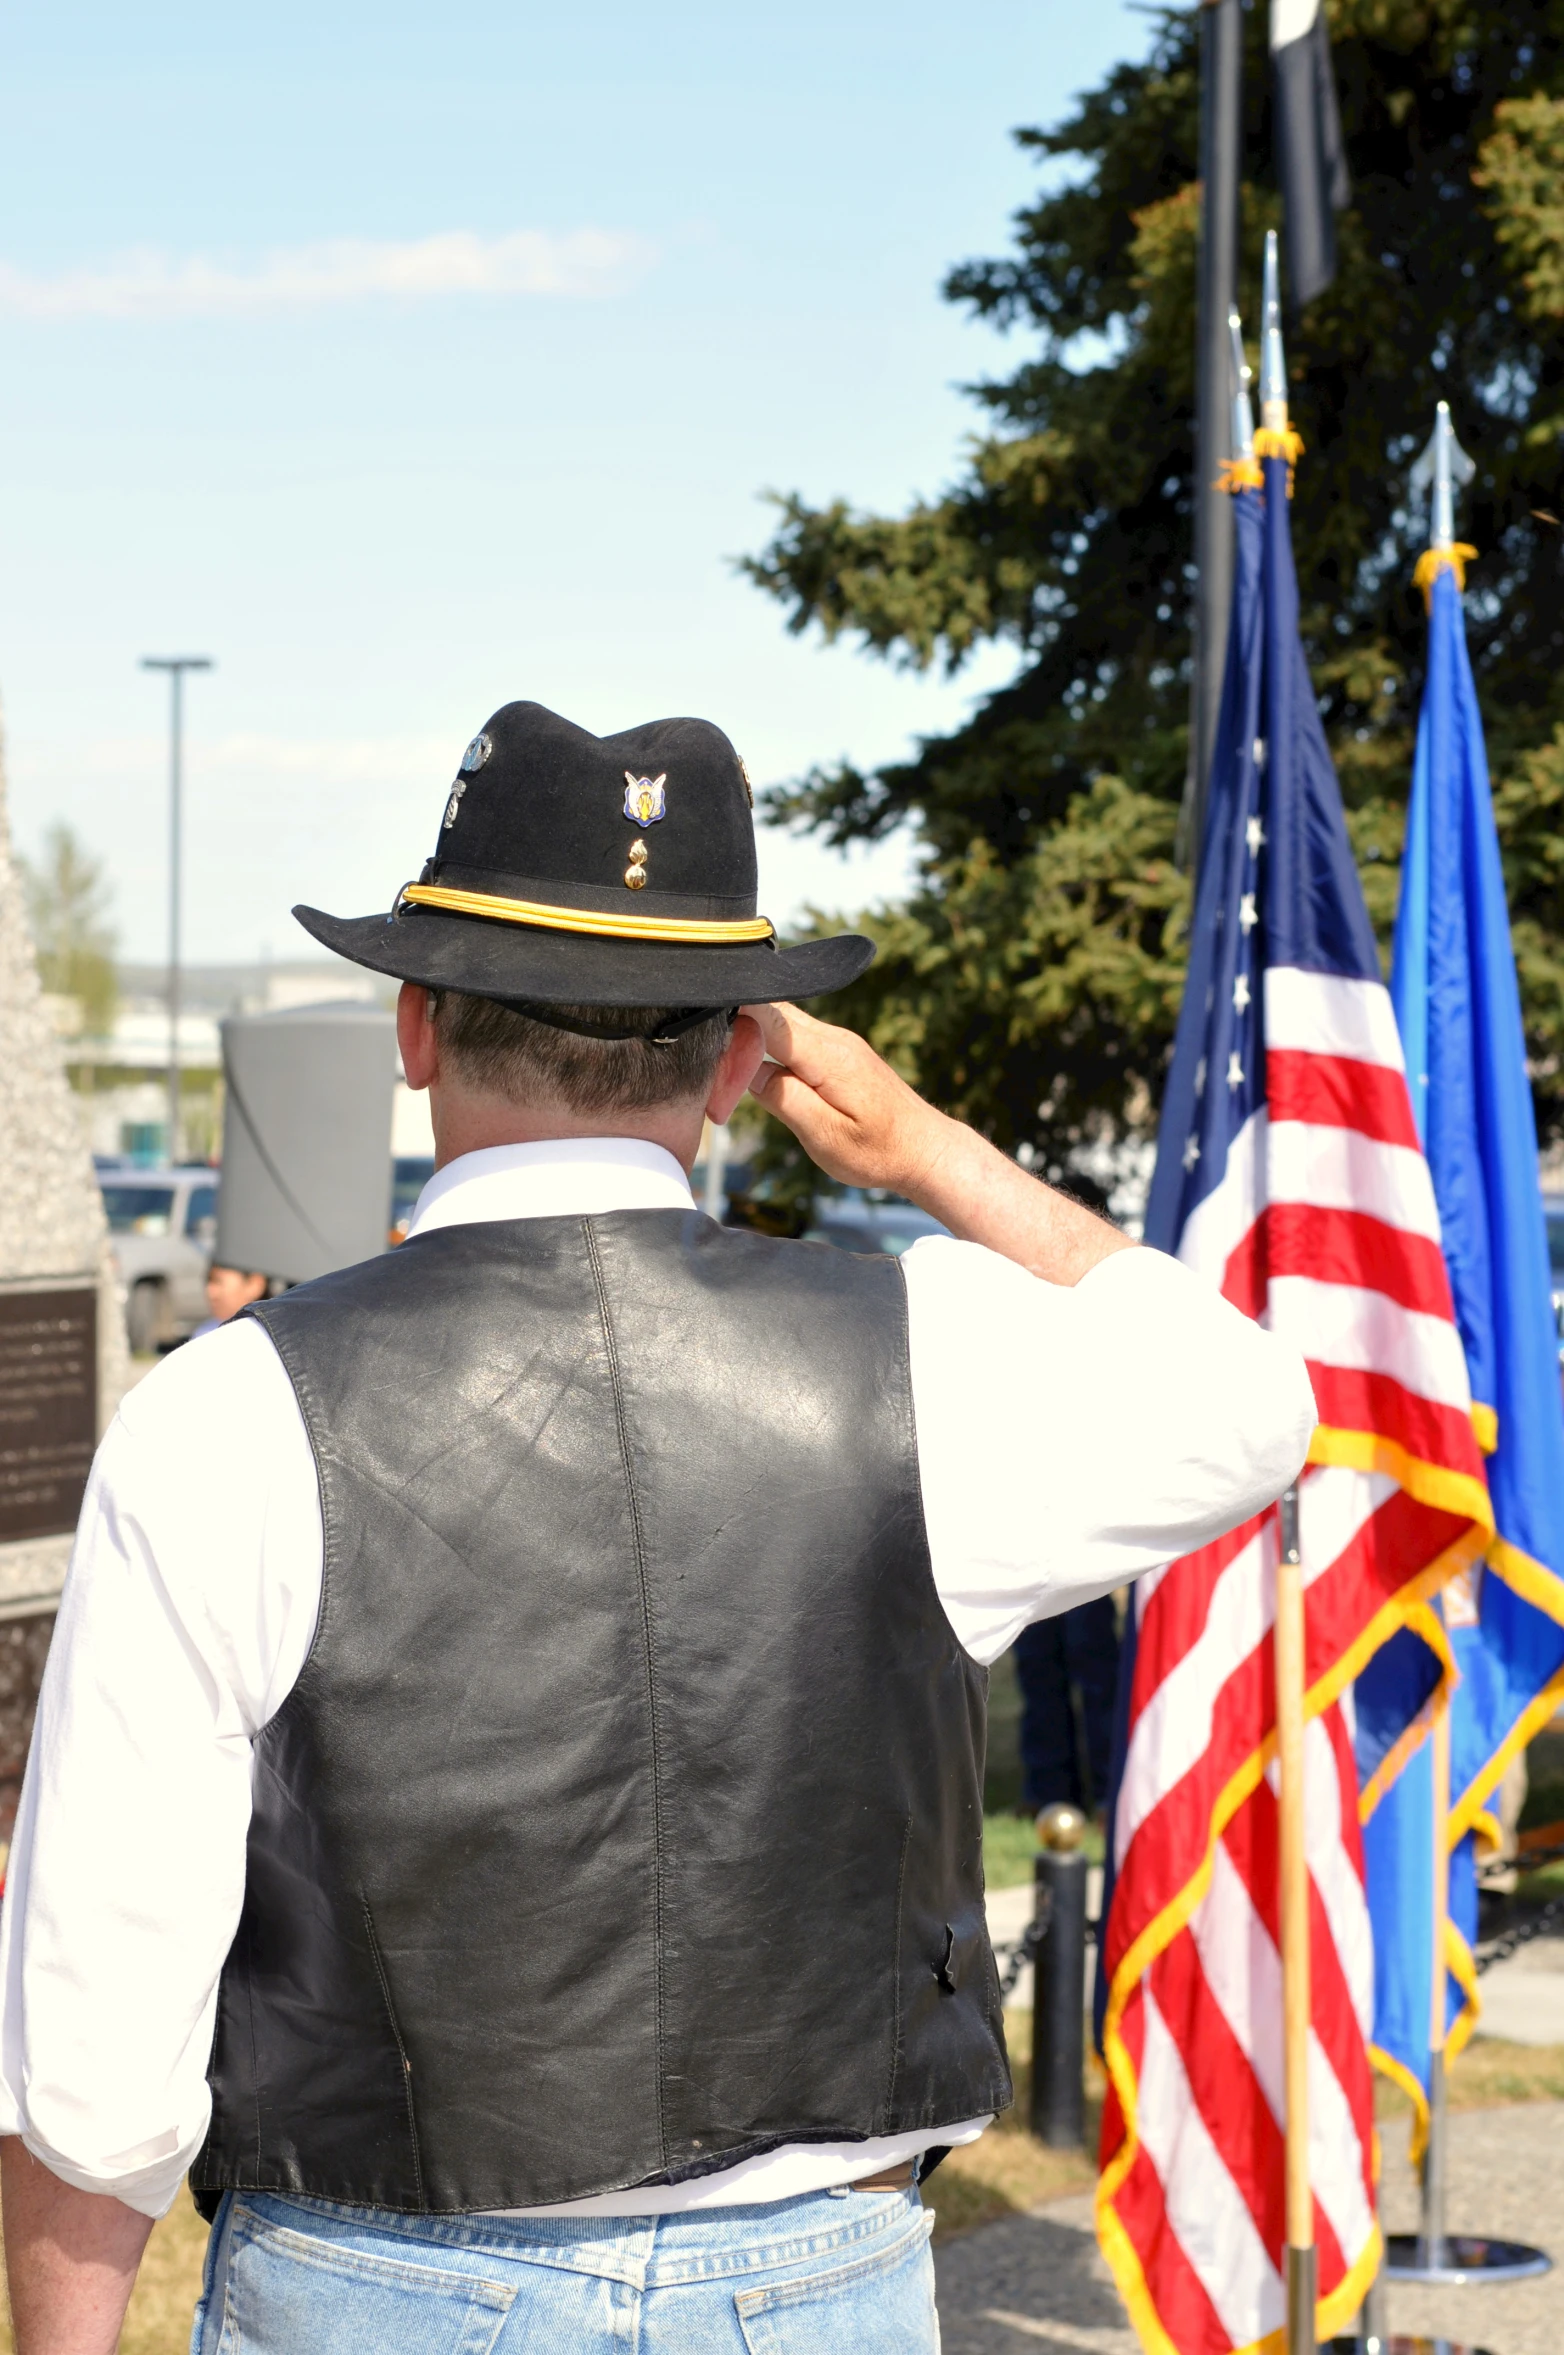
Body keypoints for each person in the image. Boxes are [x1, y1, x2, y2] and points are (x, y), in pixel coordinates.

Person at [0, 701, 1315, 2355]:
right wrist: (921, 1152)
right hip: (814, 2289)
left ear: (414, 1028)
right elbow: (1250, 1404)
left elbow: (95, 2021)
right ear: (747, 1056)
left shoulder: (228, 1411)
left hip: (376, 2283)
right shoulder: (920, 1361)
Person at [1013, 1595, 1120, 1819]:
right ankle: (1048, 1796)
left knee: (1095, 1668)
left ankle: (1111, 1795)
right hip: (1029, 1571)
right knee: (1037, 1669)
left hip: (1086, 1568)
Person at [190, 1263, 269, 1338]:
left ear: (254, 1284)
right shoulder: (205, 1332)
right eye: (209, 1280)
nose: (210, 1292)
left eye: (218, 1282)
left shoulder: (269, 1335)